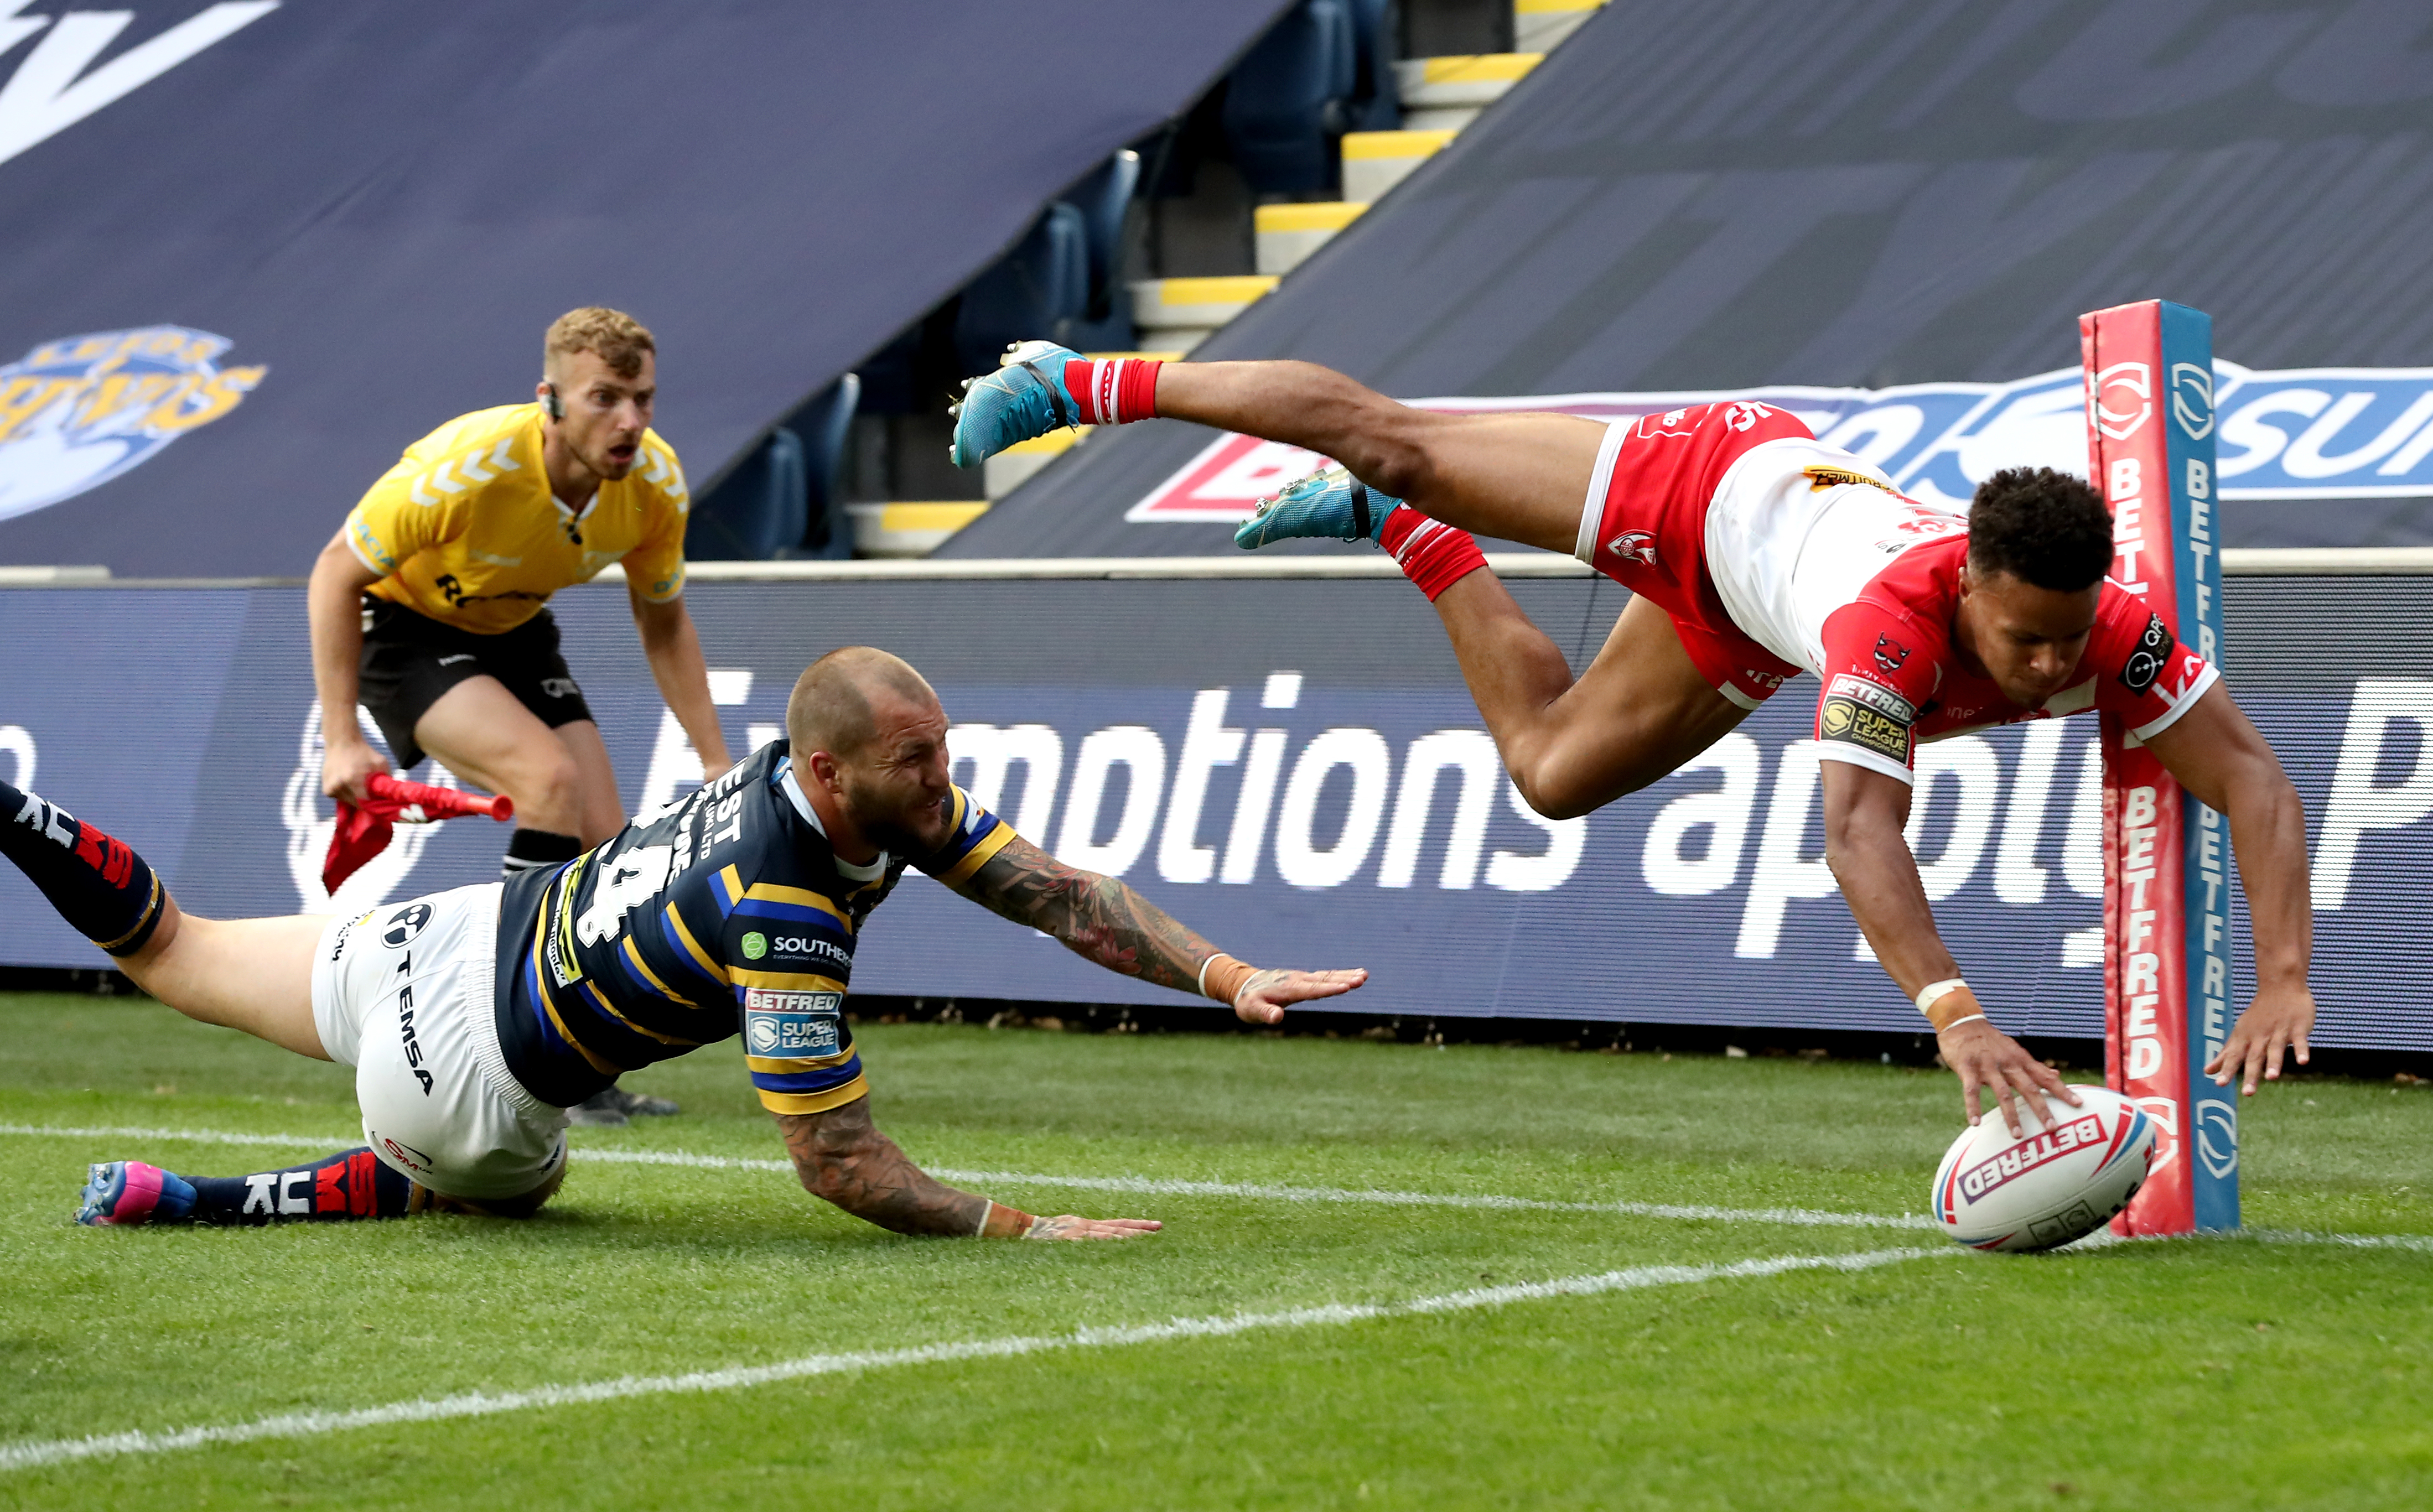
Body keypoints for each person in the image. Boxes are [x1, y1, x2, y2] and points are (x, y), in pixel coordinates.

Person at [950, 344, 2316, 1134]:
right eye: (2024, 641)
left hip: (1751, 617)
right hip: (1715, 484)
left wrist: (2284, 977)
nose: (2049, 666)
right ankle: (1085, 380)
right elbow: (1855, 834)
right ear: (1969, 582)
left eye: (2067, 640)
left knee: (1549, 775)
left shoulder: (2114, 630)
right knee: (1401, 441)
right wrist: (1955, 1014)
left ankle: (1408, 544)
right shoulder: (1891, 629)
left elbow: (2248, 774)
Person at [9, 647, 1366, 1235]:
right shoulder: (782, 905)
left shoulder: (821, 771)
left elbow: (1051, 890)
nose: (945, 780)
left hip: (442, 932)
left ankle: (13, 811)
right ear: (836, 778)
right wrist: (1022, 1226)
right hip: (465, 1073)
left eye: (942, 748)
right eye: (919, 758)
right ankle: (217, 1197)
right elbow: (835, 1162)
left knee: (171, 949)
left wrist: (1226, 974)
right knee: (503, 1188)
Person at [307, 306, 728, 1127]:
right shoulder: (466, 467)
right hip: (404, 632)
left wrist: (714, 760)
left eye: (642, 398)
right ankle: (498, 1046)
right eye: (604, 398)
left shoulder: (654, 484)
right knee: (548, 783)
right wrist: (340, 738)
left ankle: (585, 1075)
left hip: (515, 633)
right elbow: (332, 574)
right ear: (551, 400)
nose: (630, 421)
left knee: (611, 855)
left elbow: (665, 621)